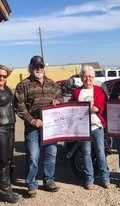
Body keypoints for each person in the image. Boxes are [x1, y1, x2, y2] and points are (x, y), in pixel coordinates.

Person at [14, 55, 63, 198]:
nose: (39, 69)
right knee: (33, 156)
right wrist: (32, 120)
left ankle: (49, 180)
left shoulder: (52, 84)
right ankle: (31, 183)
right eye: (36, 66)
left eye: (41, 66)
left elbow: (60, 96)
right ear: (31, 68)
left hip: (50, 126)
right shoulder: (23, 85)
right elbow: (19, 106)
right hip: (33, 127)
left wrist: (57, 101)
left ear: (44, 68)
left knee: (51, 154)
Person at [70, 65, 110, 190]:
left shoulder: (99, 90)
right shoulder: (77, 92)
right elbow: (71, 106)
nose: (88, 79)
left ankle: (105, 178)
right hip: (83, 127)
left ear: (94, 77)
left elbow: (104, 104)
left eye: (90, 76)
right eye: (85, 76)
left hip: (97, 126)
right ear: (81, 78)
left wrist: (98, 108)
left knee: (100, 152)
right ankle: (89, 179)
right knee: (86, 153)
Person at [0, 65, 20, 204]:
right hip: (0, 128)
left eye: (4, 76)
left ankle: (7, 187)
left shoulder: (6, 88)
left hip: (10, 127)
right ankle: (5, 192)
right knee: (2, 161)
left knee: (8, 159)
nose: (1, 78)